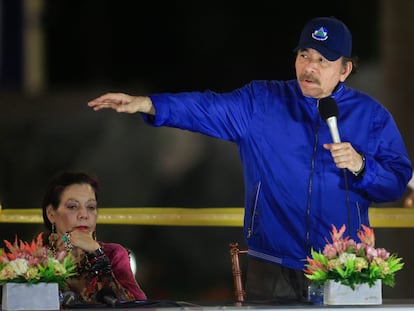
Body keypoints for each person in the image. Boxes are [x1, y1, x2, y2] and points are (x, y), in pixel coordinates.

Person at [87, 16, 412, 302]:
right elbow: (205, 108)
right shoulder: (262, 102)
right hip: (272, 264)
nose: (309, 67)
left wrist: (362, 166)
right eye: (304, 55)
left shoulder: (371, 116)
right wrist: (146, 104)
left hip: (343, 266)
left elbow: (396, 181)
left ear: (345, 69)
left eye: (323, 61)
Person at [42, 171, 147, 304]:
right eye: (73, 206)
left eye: (91, 207)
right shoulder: (34, 261)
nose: (84, 214)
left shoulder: (113, 254)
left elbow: (139, 306)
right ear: (51, 214)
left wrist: (97, 254)